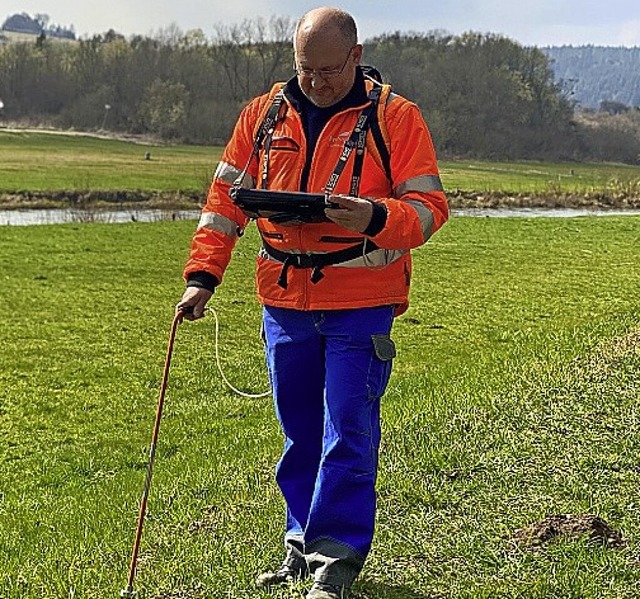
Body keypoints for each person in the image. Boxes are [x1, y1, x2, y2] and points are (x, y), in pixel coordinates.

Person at [177, 7, 448, 599]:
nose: (317, 82)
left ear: (355, 56)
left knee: (347, 428)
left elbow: (429, 211)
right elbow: (224, 203)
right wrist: (203, 275)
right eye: (306, 70)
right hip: (283, 301)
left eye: (329, 70)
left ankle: (336, 559)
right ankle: (298, 544)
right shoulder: (262, 115)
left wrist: (375, 216)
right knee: (299, 432)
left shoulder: (396, 117)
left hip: (362, 302)